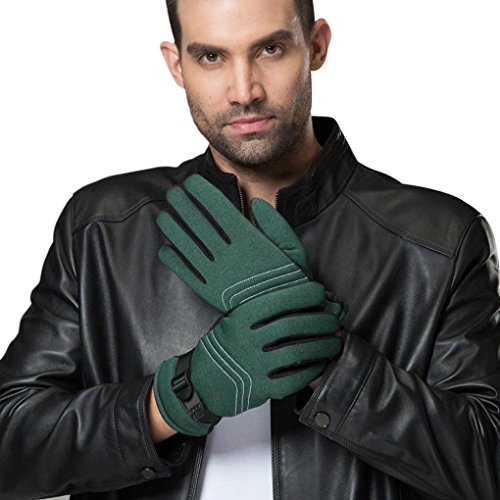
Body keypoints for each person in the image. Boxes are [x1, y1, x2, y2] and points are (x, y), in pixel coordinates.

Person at [0, 0, 499, 499]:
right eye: (211, 57)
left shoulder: (439, 240)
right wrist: (174, 401)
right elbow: (11, 445)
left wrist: (327, 362)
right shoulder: (104, 228)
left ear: (316, 46)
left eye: (270, 50)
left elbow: (488, 464)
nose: (244, 91)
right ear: (177, 65)